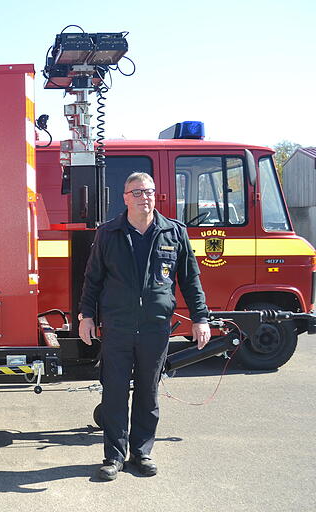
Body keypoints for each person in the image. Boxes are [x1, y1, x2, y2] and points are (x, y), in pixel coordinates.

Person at [78, 172, 211, 481]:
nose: (143, 197)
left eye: (148, 191)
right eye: (136, 192)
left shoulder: (173, 233)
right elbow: (93, 278)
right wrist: (86, 315)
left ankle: (142, 452)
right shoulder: (109, 233)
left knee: (148, 393)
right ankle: (114, 457)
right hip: (118, 327)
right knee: (114, 392)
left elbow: (191, 281)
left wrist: (201, 318)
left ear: (156, 195)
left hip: (155, 327)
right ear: (125, 198)